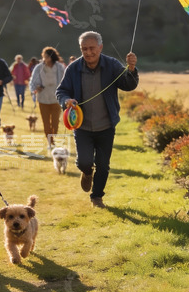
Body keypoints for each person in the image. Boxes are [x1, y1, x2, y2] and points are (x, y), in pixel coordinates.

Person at [56, 31, 138, 208]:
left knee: (103, 165)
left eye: (92, 48)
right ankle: (87, 172)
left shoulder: (111, 65)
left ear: (100, 47)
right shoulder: (73, 68)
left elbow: (128, 85)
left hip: (106, 126)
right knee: (84, 162)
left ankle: (97, 197)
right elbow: (61, 91)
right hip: (82, 126)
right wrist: (66, 100)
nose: (88, 52)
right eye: (84, 49)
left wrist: (131, 69)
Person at [29, 46, 66, 150]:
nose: (44, 58)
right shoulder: (39, 67)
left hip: (56, 98)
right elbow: (33, 81)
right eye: (43, 56)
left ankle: (53, 136)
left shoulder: (60, 67)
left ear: (51, 57)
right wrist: (35, 88)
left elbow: (65, 80)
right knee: (46, 123)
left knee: (55, 123)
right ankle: (50, 142)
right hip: (43, 98)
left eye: (46, 56)